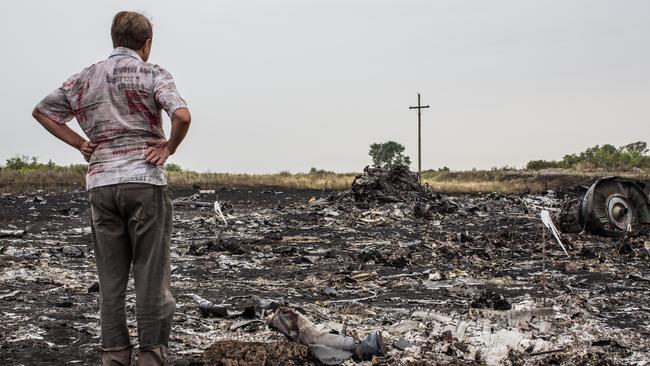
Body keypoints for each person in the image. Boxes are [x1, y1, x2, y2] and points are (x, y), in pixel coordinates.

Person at [32, 11, 191, 366]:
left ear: (114, 40)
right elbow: (181, 115)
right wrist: (169, 147)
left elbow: (43, 111)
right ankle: (151, 354)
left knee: (111, 277)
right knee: (151, 276)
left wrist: (79, 143)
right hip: (143, 181)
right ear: (146, 44)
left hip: (101, 184)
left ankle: (116, 355)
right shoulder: (153, 74)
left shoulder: (85, 78)